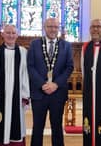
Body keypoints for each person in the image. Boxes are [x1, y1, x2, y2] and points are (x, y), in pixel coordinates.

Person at [27, 17, 74, 146]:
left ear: (58, 28)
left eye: (55, 27)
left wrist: (56, 84)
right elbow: (30, 66)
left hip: (58, 93)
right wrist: (42, 84)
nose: (53, 29)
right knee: (37, 127)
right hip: (39, 93)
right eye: (50, 26)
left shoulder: (66, 45)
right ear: (44, 27)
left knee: (57, 127)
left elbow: (69, 67)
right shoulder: (35, 44)